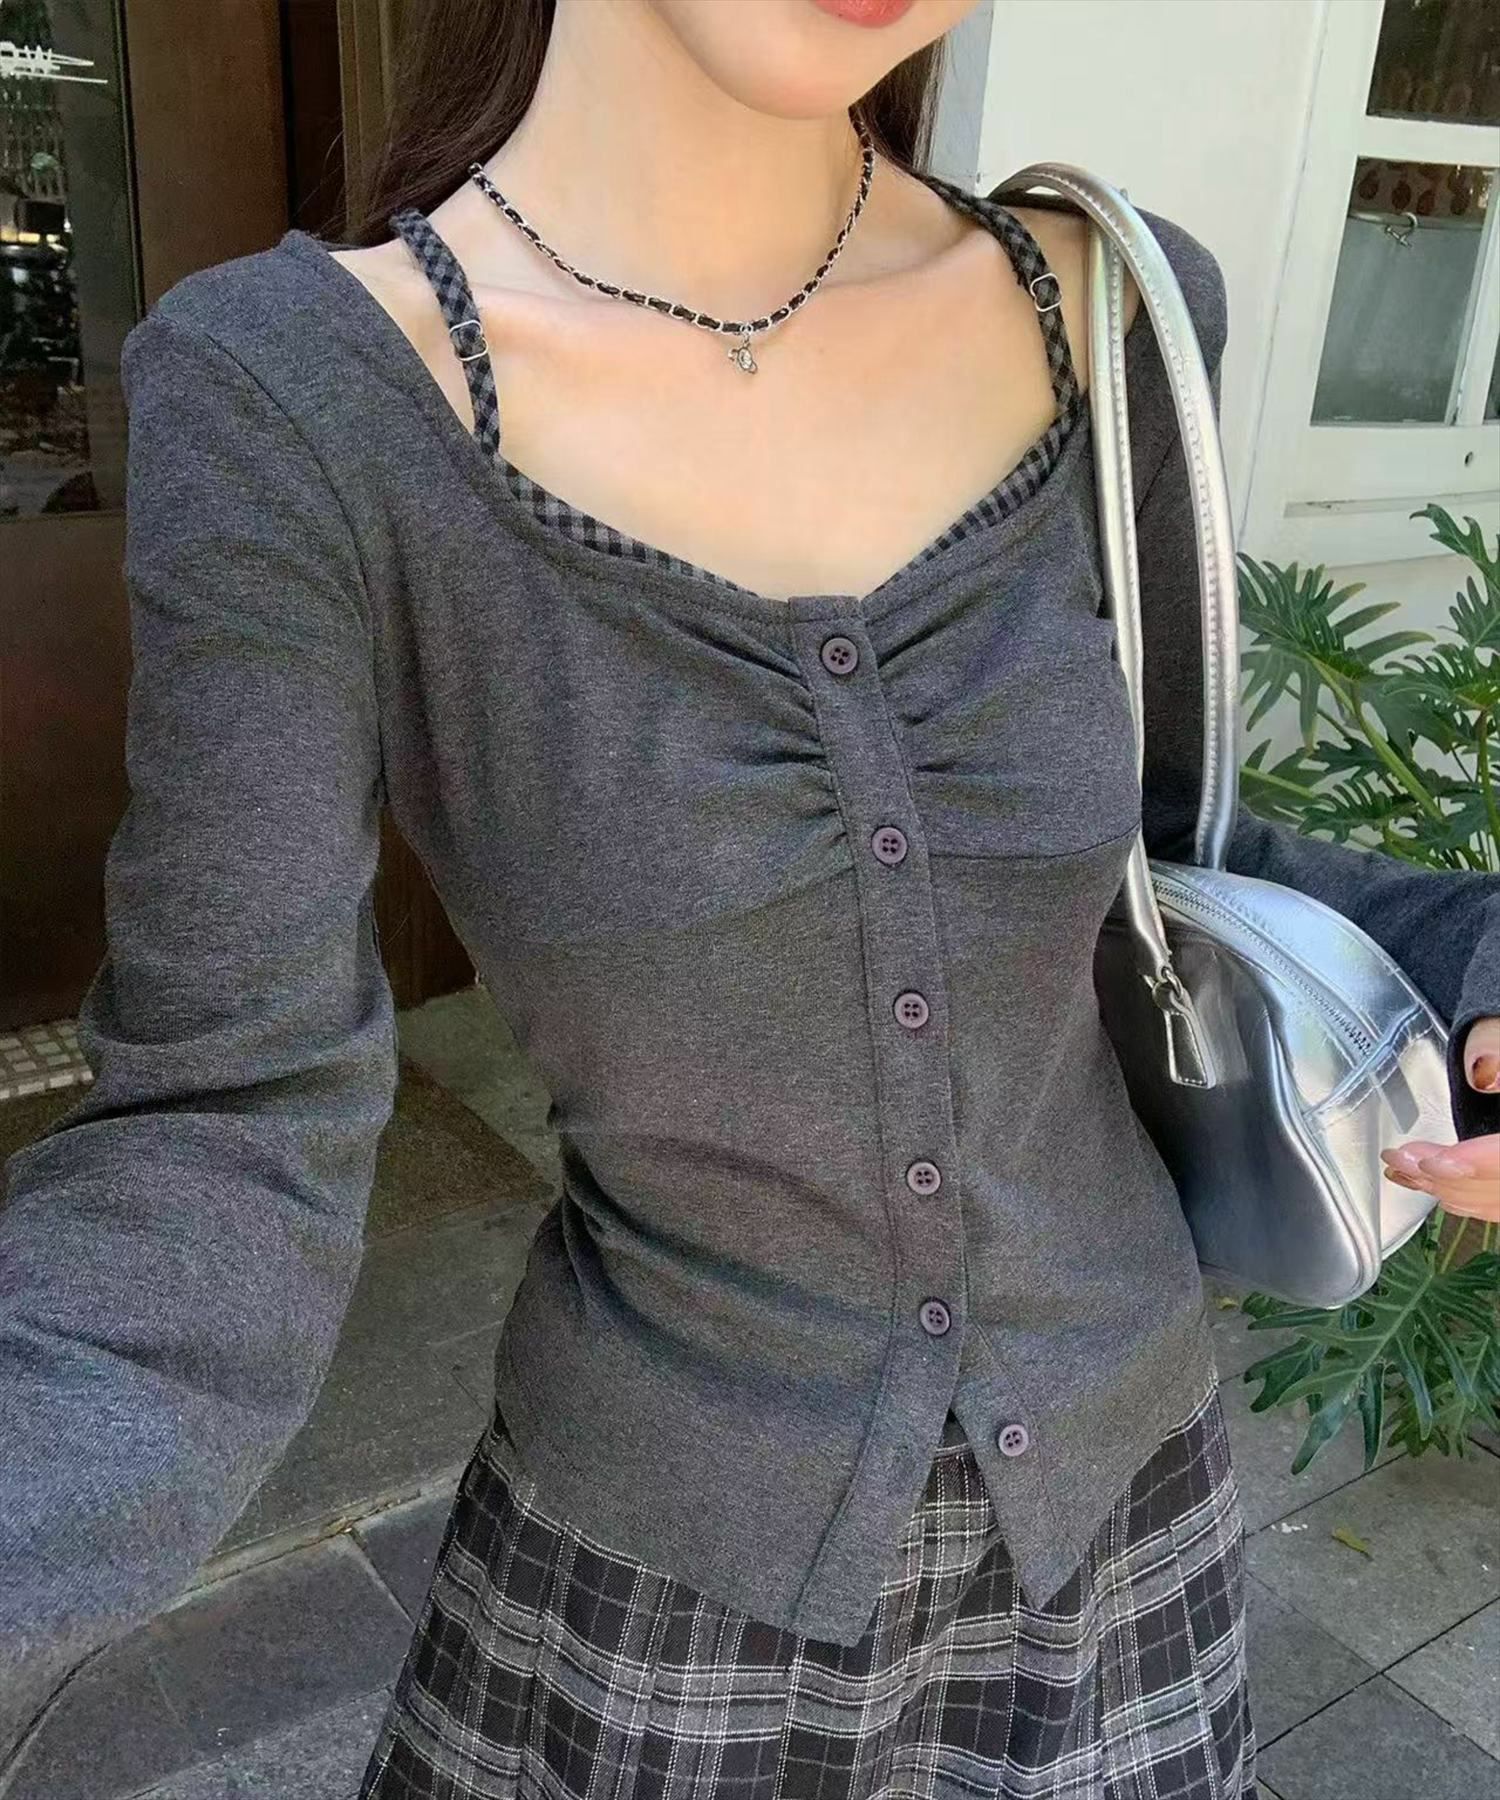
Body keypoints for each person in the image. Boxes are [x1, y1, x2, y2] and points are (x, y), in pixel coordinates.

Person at [3, 0, 1497, 1794]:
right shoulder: (301, 396)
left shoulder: (1113, 310)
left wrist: (1476, 954)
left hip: (1128, 1540)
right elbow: (225, 1121)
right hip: (663, 1611)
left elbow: (1163, 854)